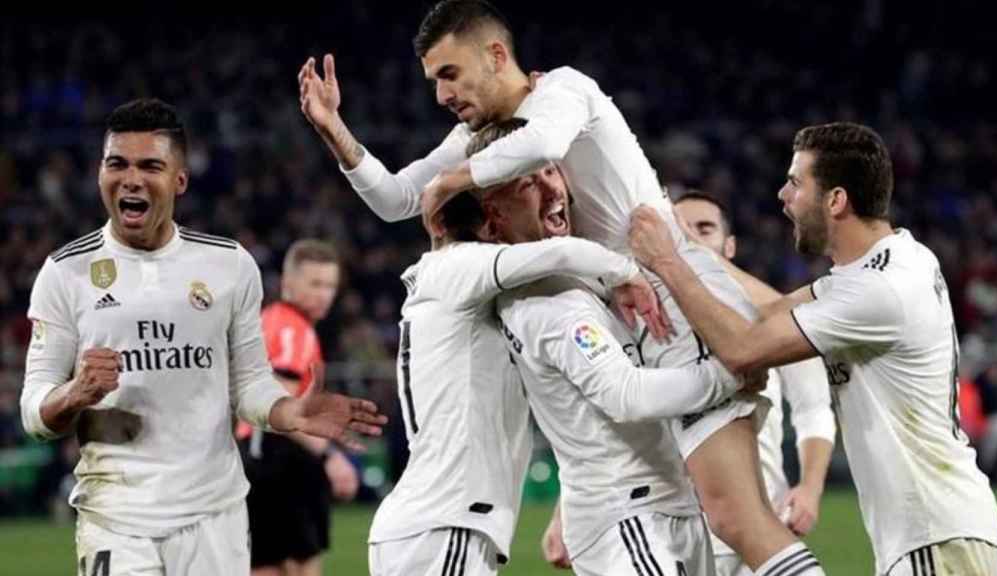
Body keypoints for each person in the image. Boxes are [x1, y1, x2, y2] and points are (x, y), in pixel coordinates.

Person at [299, 3, 823, 573]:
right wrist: (336, 132)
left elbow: (544, 143)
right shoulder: (481, 143)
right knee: (720, 523)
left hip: (675, 303)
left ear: (496, 56)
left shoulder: (564, 92)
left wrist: (457, 177)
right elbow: (399, 199)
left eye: (450, 74)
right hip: (634, 310)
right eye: (432, 82)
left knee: (737, 520)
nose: (441, 95)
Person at [19, 98, 387, 576]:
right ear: (100, 174)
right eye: (117, 164)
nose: (131, 178)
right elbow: (34, 411)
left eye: (150, 165)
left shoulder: (228, 266)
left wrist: (289, 410)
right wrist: (74, 393)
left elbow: (251, 385)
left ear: (179, 181)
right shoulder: (64, 273)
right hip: (117, 515)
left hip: (215, 515)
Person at [629, 122, 997, 576]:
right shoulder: (889, 260)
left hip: (934, 532)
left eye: (795, 182)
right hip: (934, 530)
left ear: (836, 200)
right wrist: (689, 249)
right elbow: (770, 313)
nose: (783, 196)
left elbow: (744, 349)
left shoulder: (879, 289)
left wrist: (667, 263)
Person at [454, 120, 767, 575]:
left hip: (656, 504)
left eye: (550, 171)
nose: (550, 188)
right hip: (629, 515)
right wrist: (729, 373)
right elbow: (626, 396)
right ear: (493, 214)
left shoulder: (579, 275)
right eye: (526, 183)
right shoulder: (549, 301)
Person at [368, 121, 662, 576]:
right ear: (486, 222)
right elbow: (559, 254)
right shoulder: (460, 266)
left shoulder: (458, 284)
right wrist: (626, 271)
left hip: (442, 523)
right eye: (523, 184)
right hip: (444, 522)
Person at [672, 192, 835, 576]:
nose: (691, 236)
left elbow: (814, 411)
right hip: (673, 526)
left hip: (757, 526)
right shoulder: (645, 320)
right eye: (680, 228)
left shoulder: (772, 324)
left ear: (729, 246)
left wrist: (809, 487)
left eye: (704, 229)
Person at [239, 239, 359, 576]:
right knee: (302, 564)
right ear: (288, 283)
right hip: (281, 453)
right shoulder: (293, 328)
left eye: (331, 286)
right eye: (316, 284)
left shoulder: (268, 320)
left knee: (265, 563)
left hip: (254, 451)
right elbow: (282, 398)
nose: (325, 294)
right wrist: (329, 456)